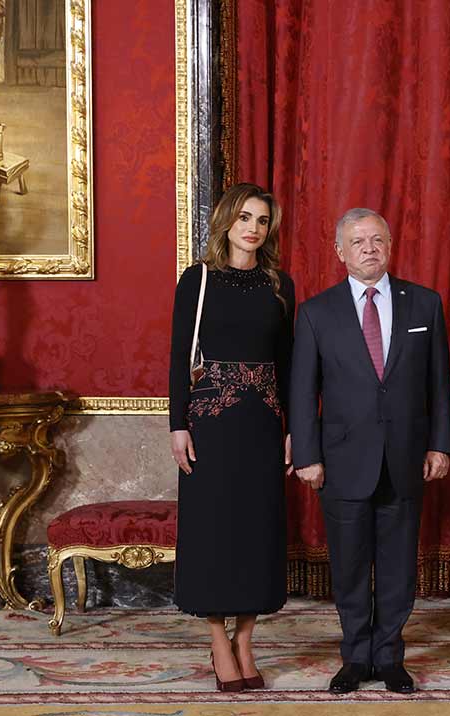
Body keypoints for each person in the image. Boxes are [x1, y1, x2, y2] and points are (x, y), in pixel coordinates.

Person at [290, 208, 450, 695]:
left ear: (390, 246)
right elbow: (303, 392)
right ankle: (356, 657)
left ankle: (390, 657)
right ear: (340, 252)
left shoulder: (424, 304)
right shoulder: (316, 312)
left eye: (378, 240)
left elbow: (439, 385)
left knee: (400, 565)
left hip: (406, 458)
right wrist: (307, 456)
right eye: (358, 242)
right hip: (341, 461)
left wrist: (440, 444)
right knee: (351, 565)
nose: (369, 248)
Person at [169, 183, 295, 692]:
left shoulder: (280, 284)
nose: (253, 228)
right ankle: (218, 638)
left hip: (263, 424)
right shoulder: (197, 279)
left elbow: (288, 365)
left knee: (256, 532)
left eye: (262, 221)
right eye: (245, 217)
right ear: (226, 221)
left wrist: (294, 432)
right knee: (214, 529)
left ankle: (246, 639)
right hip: (211, 423)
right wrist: (178, 424)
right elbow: (180, 355)